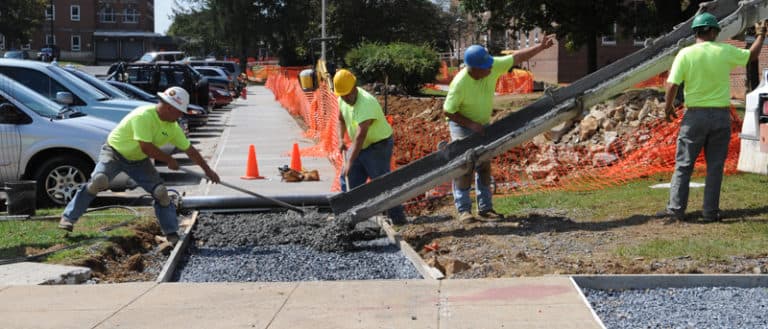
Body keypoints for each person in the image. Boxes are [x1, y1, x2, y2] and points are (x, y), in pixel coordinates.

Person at [59, 87, 221, 243]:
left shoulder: (172, 128)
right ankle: (68, 218)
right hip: (115, 152)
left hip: (138, 160)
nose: (180, 115)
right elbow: (146, 146)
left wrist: (208, 171)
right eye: (179, 111)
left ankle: (171, 233)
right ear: (169, 107)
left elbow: (190, 151)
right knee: (98, 181)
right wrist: (168, 160)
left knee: (161, 193)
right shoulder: (143, 116)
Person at [660, 13, 766, 222]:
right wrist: (761, 35)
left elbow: (672, 84)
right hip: (720, 116)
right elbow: (751, 56)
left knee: (684, 165)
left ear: (696, 32)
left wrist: (668, 107)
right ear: (712, 31)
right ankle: (710, 212)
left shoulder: (685, 54)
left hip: (694, 116)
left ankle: (676, 210)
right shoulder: (724, 51)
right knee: (715, 166)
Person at [444, 37, 554, 224]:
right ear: (473, 68)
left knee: (484, 164)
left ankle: (485, 209)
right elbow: (448, 110)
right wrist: (471, 125)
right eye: (485, 67)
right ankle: (463, 210)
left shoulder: (491, 65)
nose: (490, 69)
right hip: (462, 125)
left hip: (482, 123)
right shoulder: (460, 84)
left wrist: (541, 47)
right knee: (465, 166)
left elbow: (517, 57)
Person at [334, 69, 407, 224]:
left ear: (354, 87)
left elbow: (361, 136)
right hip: (360, 146)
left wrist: (349, 161)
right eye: (342, 95)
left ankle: (398, 219)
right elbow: (341, 119)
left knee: (381, 182)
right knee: (349, 180)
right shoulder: (343, 98)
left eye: (347, 94)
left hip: (377, 146)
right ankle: (347, 220)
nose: (345, 98)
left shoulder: (366, 102)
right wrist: (341, 139)